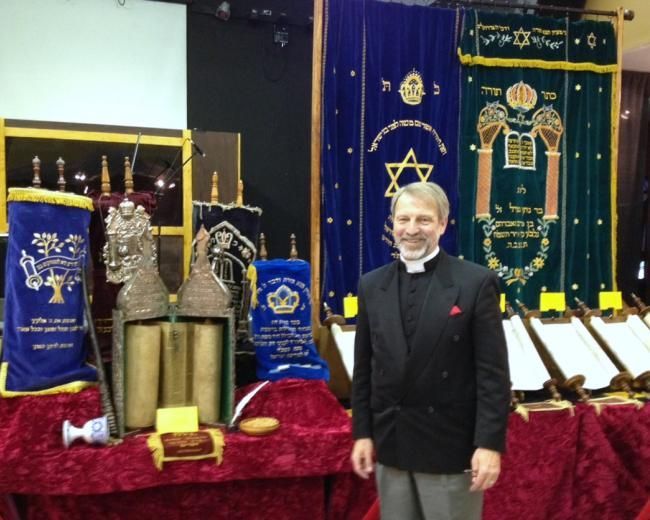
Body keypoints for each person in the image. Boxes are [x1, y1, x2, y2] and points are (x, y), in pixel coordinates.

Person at [350, 181, 510, 520]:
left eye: (423, 220)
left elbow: (493, 374)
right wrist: (363, 433)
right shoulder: (371, 285)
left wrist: (489, 444)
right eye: (403, 219)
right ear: (392, 223)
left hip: (450, 446)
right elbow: (363, 368)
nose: (411, 230)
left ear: (442, 224)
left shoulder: (475, 283)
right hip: (391, 443)